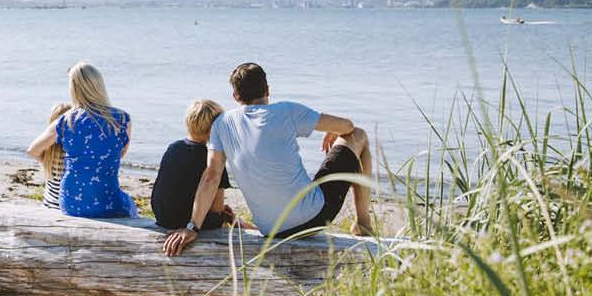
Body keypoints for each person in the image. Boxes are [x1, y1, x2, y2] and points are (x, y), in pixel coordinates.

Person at [163, 62, 374, 256]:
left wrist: (192, 227)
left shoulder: (222, 124)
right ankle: (363, 224)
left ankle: (362, 224)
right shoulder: (287, 111)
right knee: (360, 135)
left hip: (270, 229)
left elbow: (211, 177)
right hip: (313, 218)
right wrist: (334, 130)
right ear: (268, 89)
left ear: (235, 96)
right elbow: (349, 127)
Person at [28, 62, 136, 218]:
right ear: (99, 85)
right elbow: (120, 154)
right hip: (107, 199)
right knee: (129, 204)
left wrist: (51, 161)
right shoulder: (122, 119)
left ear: (74, 89)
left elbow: (33, 150)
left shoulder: (67, 120)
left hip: (70, 202)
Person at [150, 99, 238, 230]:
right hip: (189, 222)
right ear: (214, 129)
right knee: (222, 219)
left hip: (163, 217)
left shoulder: (174, 147)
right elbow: (216, 210)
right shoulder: (212, 160)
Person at [37, 102, 72, 209]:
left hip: (48, 206)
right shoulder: (73, 153)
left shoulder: (47, 152)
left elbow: (33, 151)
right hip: (67, 207)